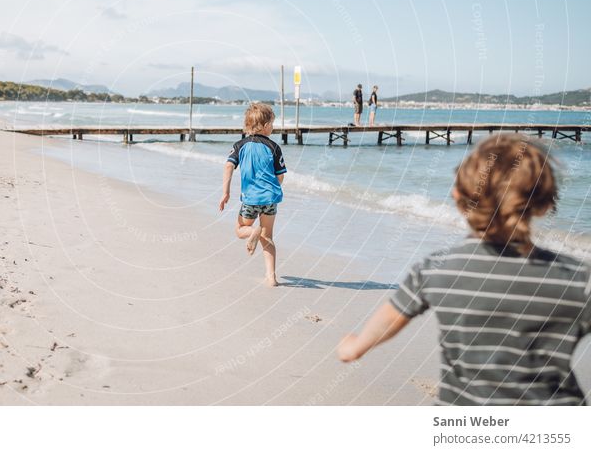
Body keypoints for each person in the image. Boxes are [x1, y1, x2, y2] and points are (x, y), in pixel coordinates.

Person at [337, 133, 591, 405]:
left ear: (458, 196)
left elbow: (390, 318)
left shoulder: (437, 270)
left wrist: (356, 347)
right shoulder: (577, 279)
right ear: (544, 205)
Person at [219, 103, 287, 287]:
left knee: (240, 229)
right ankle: (271, 277)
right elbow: (280, 175)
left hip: (250, 199)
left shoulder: (240, 145)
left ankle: (253, 231)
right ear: (265, 126)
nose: (273, 127)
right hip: (270, 199)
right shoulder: (274, 147)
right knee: (268, 237)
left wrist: (226, 192)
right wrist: (272, 189)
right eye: (272, 123)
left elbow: (228, 166)